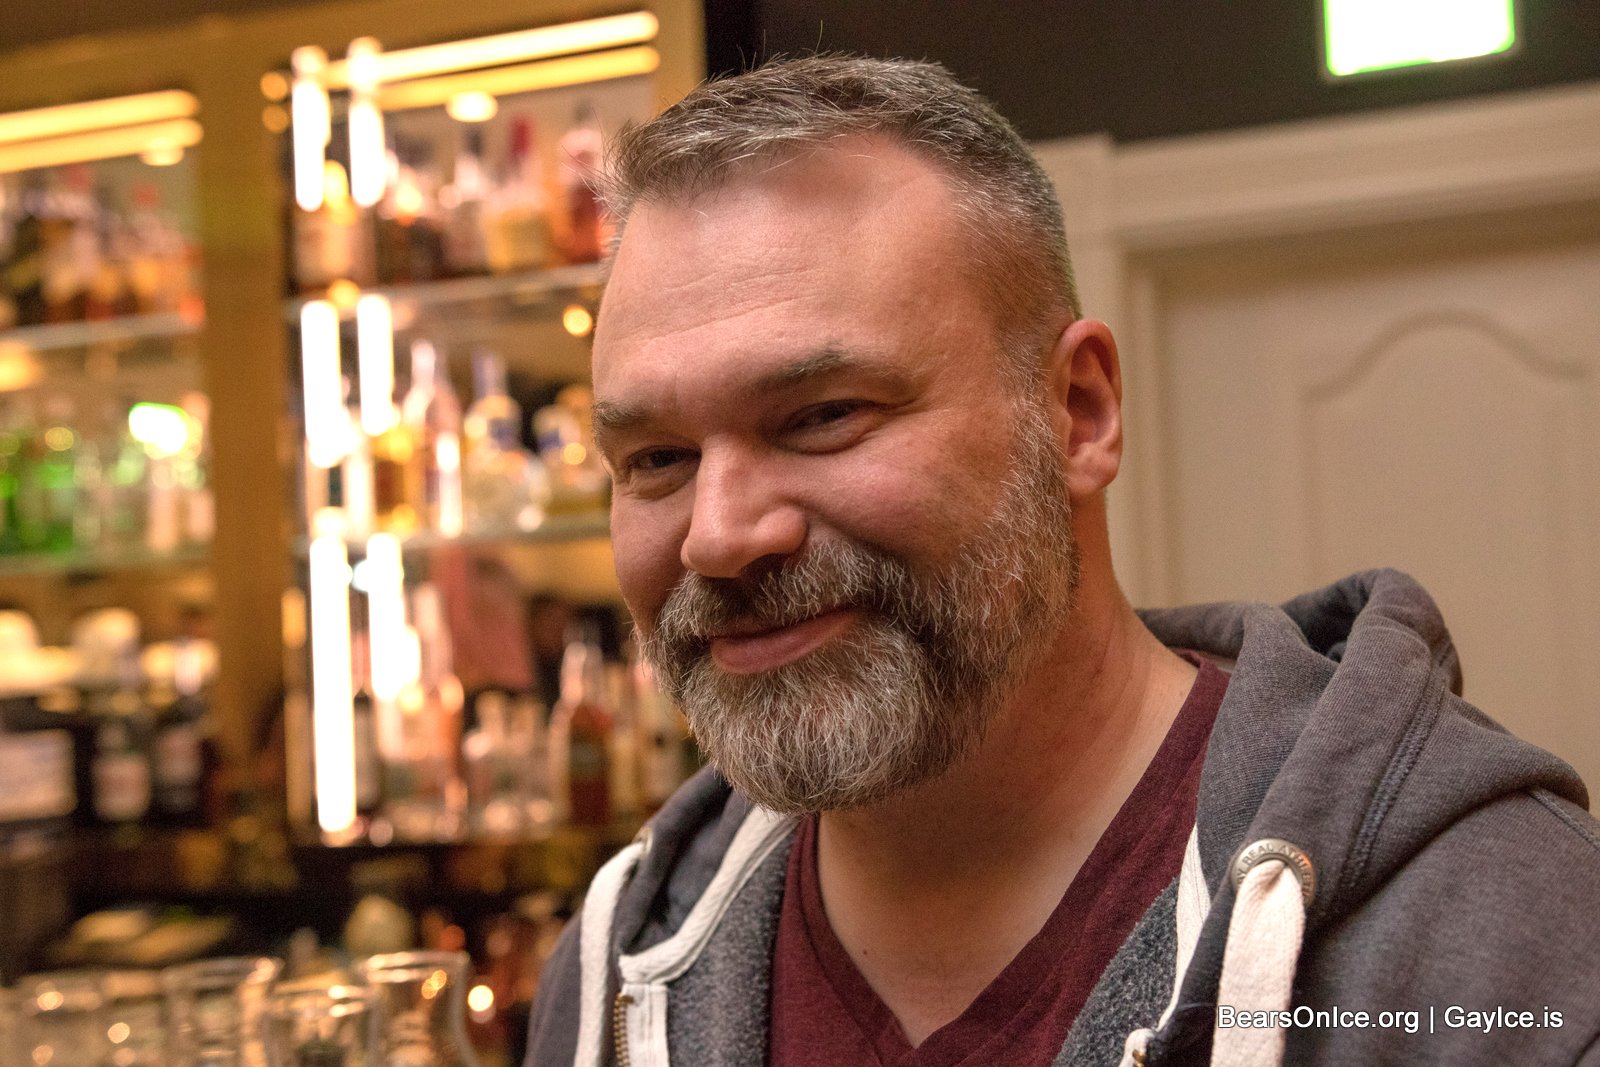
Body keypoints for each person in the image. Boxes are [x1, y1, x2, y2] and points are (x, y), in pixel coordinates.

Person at [525, 56, 1600, 1067]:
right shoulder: (614, 973)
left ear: (1078, 411)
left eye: (823, 415)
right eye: (656, 458)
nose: (718, 534)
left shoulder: (1499, 937)